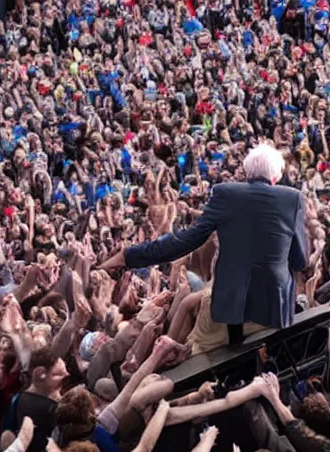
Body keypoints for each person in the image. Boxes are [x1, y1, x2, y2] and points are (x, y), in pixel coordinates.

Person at [101, 144, 308, 346]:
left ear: (247, 174)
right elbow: (301, 260)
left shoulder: (225, 193)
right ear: (274, 177)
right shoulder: (294, 198)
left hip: (234, 312)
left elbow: (184, 241)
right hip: (275, 306)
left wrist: (128, 256)